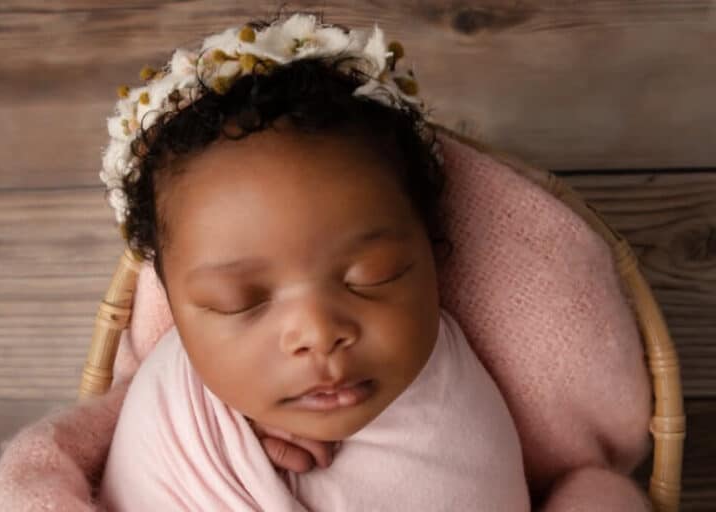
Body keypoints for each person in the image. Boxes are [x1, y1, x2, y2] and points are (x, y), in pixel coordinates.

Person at [96, 10, 530, 510]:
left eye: (374, 275)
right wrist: (228, 432)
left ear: (432, 250)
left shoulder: (461, 421)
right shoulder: (173, 406)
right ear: (170, 303)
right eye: (239, 303)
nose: (318, 333)